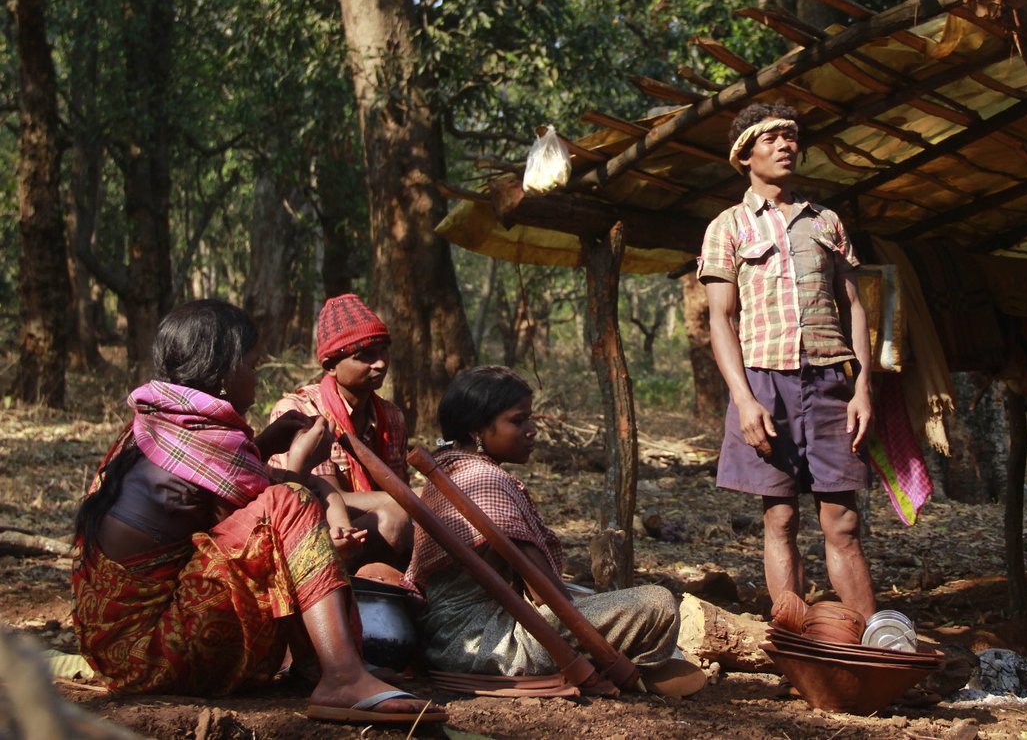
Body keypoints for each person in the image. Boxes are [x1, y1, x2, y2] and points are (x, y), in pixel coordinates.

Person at [71, 299, 446, 727]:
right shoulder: (208, 439)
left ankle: (329, 667)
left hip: (115, 646)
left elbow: (229, 492)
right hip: (149, 652)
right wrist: (300, 465)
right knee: (292, 499)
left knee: (294, 497)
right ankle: (342, 675)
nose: (256, 374)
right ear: (224, 371)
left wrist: (268, 443)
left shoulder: (166, 421)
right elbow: (273, 506)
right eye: (251, 364)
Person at [404, 365, 706, 698]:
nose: (532, 431)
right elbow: (545, 593)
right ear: (477, 430)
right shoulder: (487, 481)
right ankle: (637, 670)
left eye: (530, 420)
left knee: (594, 597)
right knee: (657, 603)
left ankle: (636, 662)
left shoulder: (449, 470)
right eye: (518, 421)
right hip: (491, 646)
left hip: (446, 642)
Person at [698, 101, 878, 617]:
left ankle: (875, 642)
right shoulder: (728, 227)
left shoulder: (826, 221)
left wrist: (862, 389)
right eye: (771, 138)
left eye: (791, 137)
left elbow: (856, 309)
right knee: (780, 518)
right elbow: (720, 320)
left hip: (828, 384)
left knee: (842, 521)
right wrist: (744, 400)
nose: (785, 146)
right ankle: (793, 640)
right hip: (763, 385)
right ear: (745, 155)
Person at [268, 293, 412, 569]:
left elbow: (395, 487)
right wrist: (410, 498)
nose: (380, 363)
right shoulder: (302, 411)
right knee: (396, 517)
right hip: (311, 535)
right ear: (330, 366)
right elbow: (325, 498)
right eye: (365, 356)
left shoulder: (391, 417)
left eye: (383, 351)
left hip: (363, 530)